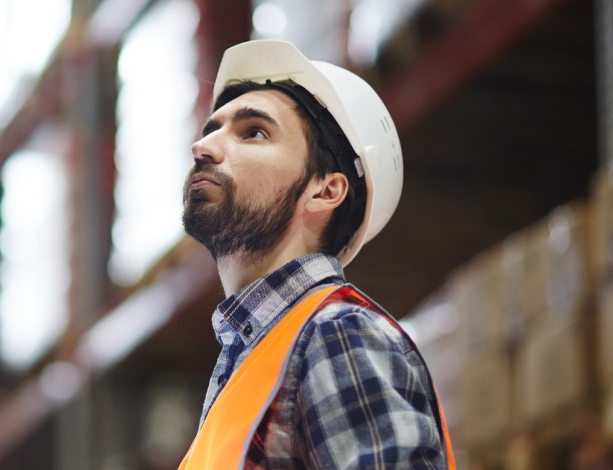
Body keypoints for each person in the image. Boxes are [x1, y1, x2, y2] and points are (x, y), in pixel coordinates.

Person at [177, 40, 455, 469]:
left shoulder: (336, 333)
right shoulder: (246, 371)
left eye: (253, 132)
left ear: (325, 190)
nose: (205, 147)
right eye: (211, 129)